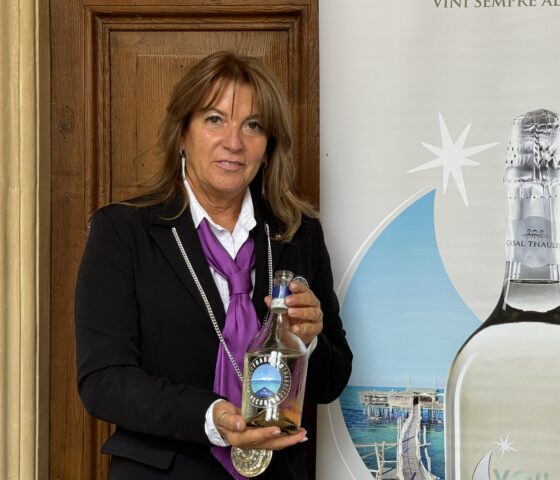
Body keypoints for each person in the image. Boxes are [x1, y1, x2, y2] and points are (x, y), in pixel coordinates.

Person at [75, 50, 352, 479]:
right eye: (214, 119)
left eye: (253, 125)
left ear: (268, 146)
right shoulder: (123, 232)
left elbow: (331, 382)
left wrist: (307, 342)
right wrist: (212, 416)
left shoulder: (298, 235)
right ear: (182, 134)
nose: (234, 142)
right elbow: (103, 381)